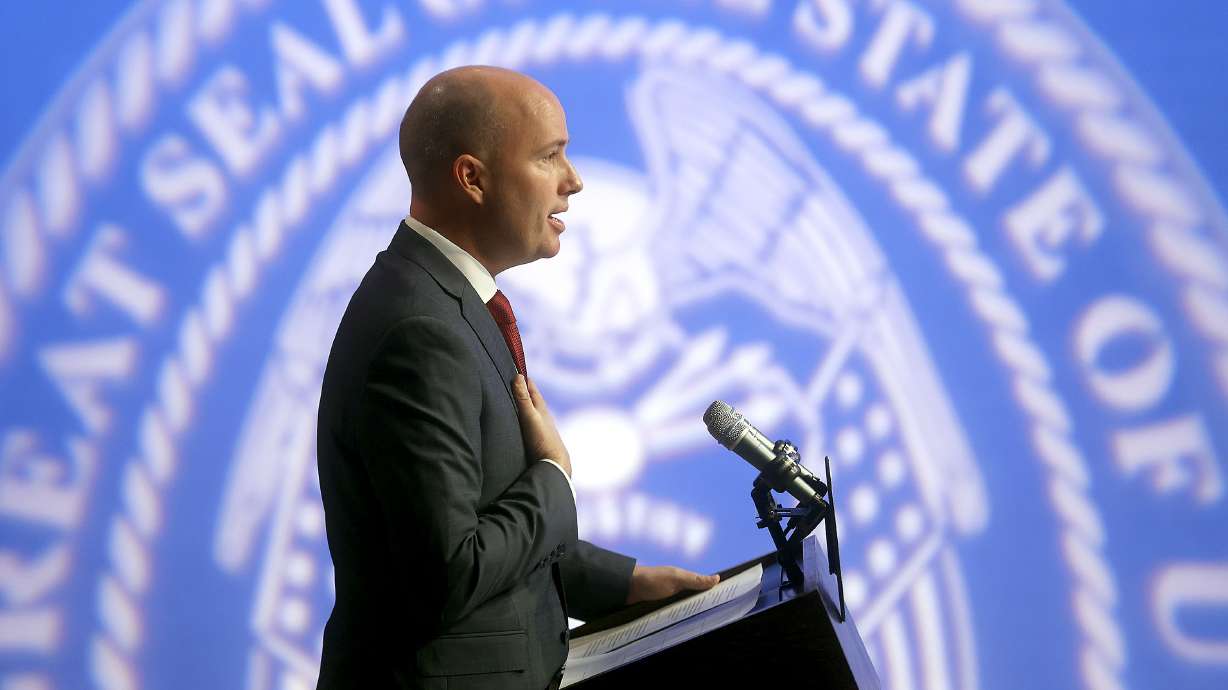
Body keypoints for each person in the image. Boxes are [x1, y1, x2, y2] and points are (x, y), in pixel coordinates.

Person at [315, 65, 719, 689]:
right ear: (472, 178)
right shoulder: (419, 332)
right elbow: (451, 574)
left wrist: (623, 584)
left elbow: (484, 523)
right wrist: (554, 477)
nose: (574, 181)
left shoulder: (453, 302)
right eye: (550, 156)